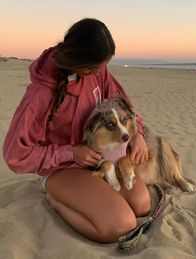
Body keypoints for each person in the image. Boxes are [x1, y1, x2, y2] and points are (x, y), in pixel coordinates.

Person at [3, 18, 150, 243]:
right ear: (78, 58)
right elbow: (15, 154)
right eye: (93, 67)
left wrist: (138, 133)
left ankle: (90, 197)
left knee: (141, 205)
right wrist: (71, 153)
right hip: (62, 167)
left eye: (102, 67)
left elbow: (124, 108)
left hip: (101, 159)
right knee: (121, 225)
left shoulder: (98, 71)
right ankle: (55, 199)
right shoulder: (40, 94)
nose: (99, 72)